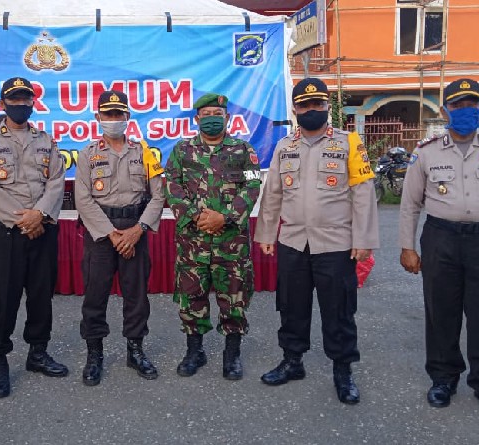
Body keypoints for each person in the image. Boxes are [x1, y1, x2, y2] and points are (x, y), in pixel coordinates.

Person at [399, 78, 479, 418]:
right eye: (457, 105)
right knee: (440, 313)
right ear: (445, 111)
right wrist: (407, 247)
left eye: (471, 104)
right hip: (440, 237)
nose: (465, 111)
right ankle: (443, 379)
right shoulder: (426, 151)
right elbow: (409, 204)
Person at [254, 78, 378, 405]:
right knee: (291, 306)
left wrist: (363, 239)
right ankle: (292, 361)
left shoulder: (350, 143)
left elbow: (363, 194)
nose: (311, 110)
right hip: (293, 240)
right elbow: (273, 195)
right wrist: (267, 233)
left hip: (336, 243)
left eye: (318, 104)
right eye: (305, 105)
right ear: (295, 109)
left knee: (338, 310)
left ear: (327, 107)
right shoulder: (285, 147)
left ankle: (343, 370)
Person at [0, 77, 68, 398]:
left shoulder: (45, 140)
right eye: (15, 99)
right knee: (2, 297)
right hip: (6, 230)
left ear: (33, 103)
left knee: (41, 295)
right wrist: (24, 218)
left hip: (42, 227)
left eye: (26, 99)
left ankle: (37, 353)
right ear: (2, 103)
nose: (21, 104)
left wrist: (39, 214)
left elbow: (57, 181)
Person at [164, 92, 262, 381]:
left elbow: (254, 184)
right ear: (196, 119)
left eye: (216, 115)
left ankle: (231, 355)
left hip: (231, 244)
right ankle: (195, 351)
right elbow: (172, 185)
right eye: (205, 115)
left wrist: (226, 216)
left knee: (234, 298)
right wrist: (197, 216)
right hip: (193, 242)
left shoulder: (244, 150)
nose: (211, 120)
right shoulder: (182, 151)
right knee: (191, 297)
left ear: (227, 117)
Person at [74, 91, 165, 386]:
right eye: (108, 114)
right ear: (98, 118)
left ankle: (135, 350)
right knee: (95, 295)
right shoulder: (88, 154)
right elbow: (83, 199)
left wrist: (138, 229)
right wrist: (112, 234)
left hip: (135, 227)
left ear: (127, 118)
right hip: (101, 232)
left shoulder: (145, 152)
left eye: (118, 114)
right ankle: (94, 353)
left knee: (136, 294)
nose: (113, 120)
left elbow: (158, 195)